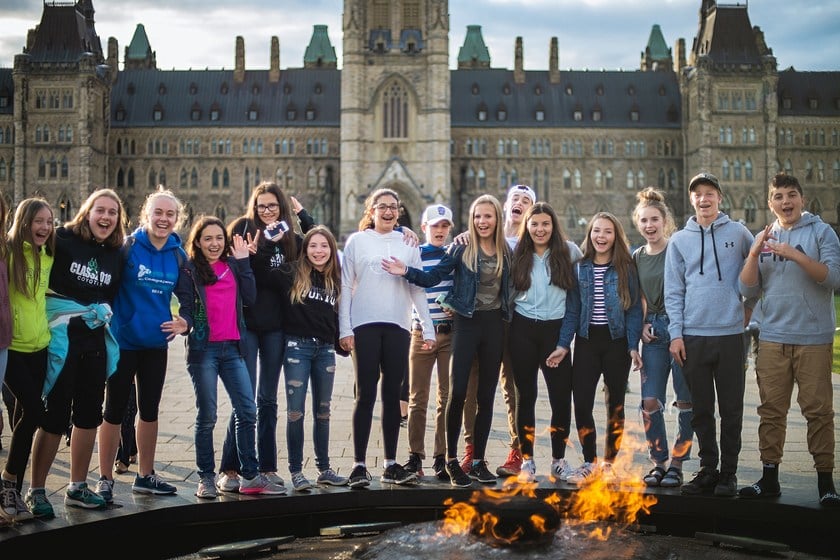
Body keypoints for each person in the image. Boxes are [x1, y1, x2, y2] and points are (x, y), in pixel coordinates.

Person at [382, 194, 512, 489]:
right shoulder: (461, 248)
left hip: (490, 326)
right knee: (447, 395)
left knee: (482, 397)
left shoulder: (504, 250)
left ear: (497, 219)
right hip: (458, 326)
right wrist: (405, 268)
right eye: (477, 216)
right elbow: (432, 277)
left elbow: (514, 287)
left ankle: (475, 461)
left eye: (488, 216)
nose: (482, 221)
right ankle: (444, 459)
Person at [737, 173, 840, 506]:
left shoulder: (822, 232)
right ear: (771, 203)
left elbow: (835, 279)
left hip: (812, 337)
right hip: (772, 338)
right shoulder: (764, 236)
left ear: (802, 200)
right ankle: (769, 479)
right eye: (778, 196)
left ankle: (826, 482)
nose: (785, 201)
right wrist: (753, 255)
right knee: (770, 411)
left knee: (819, 412)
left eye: (791, 195)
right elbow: (748, 290)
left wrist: (795, 255)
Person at [26, 190, 124, 514]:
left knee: (88, 417)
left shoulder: (116, 253)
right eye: (100, 210)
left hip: (94, 341)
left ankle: (77, 487)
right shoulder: (63, 239)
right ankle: (36, 490)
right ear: (87, 212)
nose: (106, 217)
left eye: (113, 212)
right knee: (54, 417)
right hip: (61, 340)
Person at [175, 216, 286, 499]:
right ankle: (206, 478)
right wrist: (184, 323)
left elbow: (249, 297)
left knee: (247, 411)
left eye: (219, 238)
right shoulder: (190, 270)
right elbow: (187, 306)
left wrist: (244, 262)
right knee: (208, 416)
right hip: (204, 351)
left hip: (233, 348)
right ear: (198, 242)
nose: (214, 243)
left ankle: (249, 476)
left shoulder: (233, 266)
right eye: (208, 238)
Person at [218, 182, 314, 493]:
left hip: (276, 327)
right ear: (254, 208)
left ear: (282, 208)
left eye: (273, 205)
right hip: (246, 324)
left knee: (268, 400)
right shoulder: (244, 229)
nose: (267, 211)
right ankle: (230, 469)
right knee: (244, 399)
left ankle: (267, 466)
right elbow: (227, 268)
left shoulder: (289, 239)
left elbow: (316, 246)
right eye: (261, 206)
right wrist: (249, 257)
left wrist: (304, 216)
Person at [665, 172, 754, 497]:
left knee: (731, 409)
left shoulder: (739, 233)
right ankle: (708, 469)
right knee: (701, 409)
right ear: (692, 200)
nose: (704, 199)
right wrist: (676, 334)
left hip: (730, 336)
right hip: (693, 337)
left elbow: (756, 271)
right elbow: (673, 291)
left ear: (719, 197)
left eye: (710, 193)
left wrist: (749, 307)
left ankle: (728, 474)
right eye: (698, 194)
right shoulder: (679, 241)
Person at [338, 188, 435, 488]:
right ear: (372, 210)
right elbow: (344, 287)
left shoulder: (407, 243)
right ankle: (358, 465)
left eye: (394, 207)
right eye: (382, 207)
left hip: (398, 325)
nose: (389, 211)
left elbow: (418, 288)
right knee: (365, 394)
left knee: (393, 397)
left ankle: (391, 464)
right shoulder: (357, 241)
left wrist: (428, 329)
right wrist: (344, 328)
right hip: (364, 324)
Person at [97, 187, 187, 502]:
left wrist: (185, 321)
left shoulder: (178, 254)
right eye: (158, 213)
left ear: (177, 219)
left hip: (155, 345)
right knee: (113, 411)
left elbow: (190, 298)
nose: (164, 219)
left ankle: (145, 475)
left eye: (170, 214)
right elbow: (105, 287)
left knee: (149, 410)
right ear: (146, 216)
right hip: (122, 342)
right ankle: (105, 478)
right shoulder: (128, 247)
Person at [555, 211, 643, 486]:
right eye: (596, 231)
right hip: (586, 342)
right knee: (581, 403)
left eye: (607, 231)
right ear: (590, 234)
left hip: (616, 343)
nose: (601, 236)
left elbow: (632, 311)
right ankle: (590, 461)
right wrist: (562, 345)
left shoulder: (626, 267)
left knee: (614, 405)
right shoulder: (580, 267)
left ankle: (609, 463)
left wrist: (632, 345)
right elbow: (572, 310)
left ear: (616, 235)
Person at [454, 184, 535, 477]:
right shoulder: (484, 237)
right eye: (516, 198)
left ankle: (517, 453)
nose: (520, 203)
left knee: (515, 391)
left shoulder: (535, 242)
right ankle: (472, 452)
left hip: (516, 326)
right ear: (506, 205)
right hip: (482, 325)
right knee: (472, 391)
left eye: (527, 201)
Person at [270, 226, 348, 490]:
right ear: (305, 249)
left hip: (324, 350)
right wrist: (274, 240)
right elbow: (265, 273)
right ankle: (296, 471)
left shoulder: (334, 277)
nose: (318, 251)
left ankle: (324, 468)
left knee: (323, 413)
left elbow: (336, 316)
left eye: (324, 246)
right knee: (295, 413)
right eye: (313, 245)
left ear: (331, 250)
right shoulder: (292, 272)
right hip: (297, 350)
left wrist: (343, 342)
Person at [509, 203, 581, 484]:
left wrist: (565, 342)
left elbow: (577, 298)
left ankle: (558, 460)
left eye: (545, 224)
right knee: (525, 397)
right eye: (535, 224)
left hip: (556, 332)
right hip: (523, 330)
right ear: (527, 226)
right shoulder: (516, 253)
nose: (540, 229)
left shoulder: (569, 252)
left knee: (561, 399)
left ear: (553, 226)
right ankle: (527, 460)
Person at [631, 187, 694, 488]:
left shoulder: (678, 248)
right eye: (644, 221)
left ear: (664, 220)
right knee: (649, 399)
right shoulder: (638, 256)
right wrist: (641, 324)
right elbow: (637, 297)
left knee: (684, 400)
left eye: (654, 219)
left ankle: (678, 463)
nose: (649, 226)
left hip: (680, 329)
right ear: (638, 223)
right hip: (653, 333)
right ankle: (659, 461)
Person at [1, 198, 53, 524]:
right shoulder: (8, 253)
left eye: (49, 221)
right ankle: (7, 484)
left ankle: (13, 496)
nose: (44, 227)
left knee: (25, 414)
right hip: (14, 347)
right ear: (23, 222)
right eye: (38, 221)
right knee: (35, 411)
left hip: (40, 347)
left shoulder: (47, 256)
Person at [401, 204, 456, 481]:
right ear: (424, 228)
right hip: (421, 333)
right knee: (417, 398)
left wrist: (456, 305)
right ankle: (415, 456)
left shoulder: (455, 255)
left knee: (446, 398)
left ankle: (441, 456)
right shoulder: (414, 255)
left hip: (449, 334)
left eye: (445, 226)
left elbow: (465, 289)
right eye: (435, 226)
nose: (440, 230)